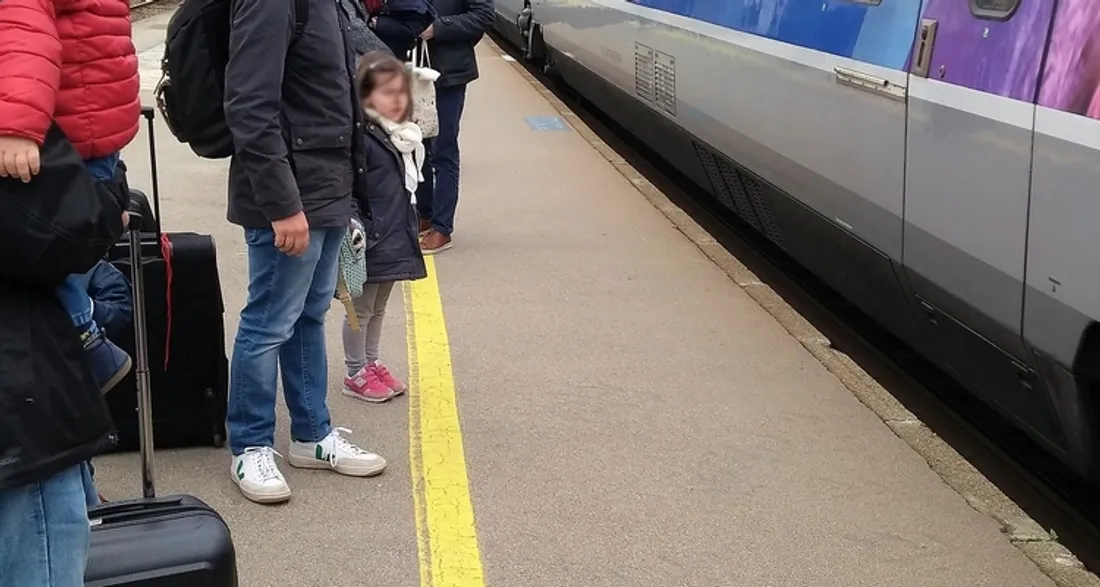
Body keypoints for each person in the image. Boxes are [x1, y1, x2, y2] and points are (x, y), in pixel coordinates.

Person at [224, 0, 387, 505]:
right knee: (270, 321)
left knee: (309, 316)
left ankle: (311, 436)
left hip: (329, 186)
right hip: (291, 194)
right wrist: (281, 204)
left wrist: (351, 196)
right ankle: (250, 445)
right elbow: (250, 105)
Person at [0, 0, 140, 396]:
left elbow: (24, 37)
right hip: (93, 130)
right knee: (56, 251)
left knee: (44, 248)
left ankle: (84, 333)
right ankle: (87, 339)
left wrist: (16, 127)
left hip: (64, 138)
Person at [342, 52, 428, 402]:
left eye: (401, 92)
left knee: (378, 308)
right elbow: (347, 183)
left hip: (394, 232)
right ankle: (355, 370)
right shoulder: (361, 135)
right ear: (364, 96)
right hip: (367, 236)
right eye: (387, 92)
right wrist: (353, 226)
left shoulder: (402, 135)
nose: (397, 100)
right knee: (358, 308)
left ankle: (372, 361)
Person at [415, 0, 495, 255]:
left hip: (448, 74)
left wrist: (439, 27)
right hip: (412, 69)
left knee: (443, 149)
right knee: (417, 144)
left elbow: (483, 16)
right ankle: (424, 215)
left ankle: (442, 228)